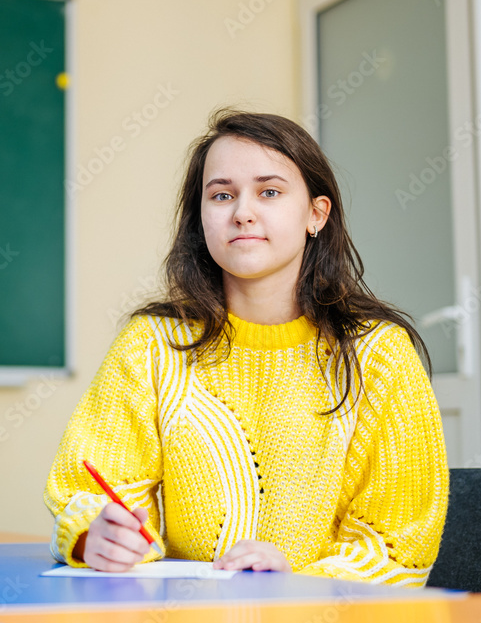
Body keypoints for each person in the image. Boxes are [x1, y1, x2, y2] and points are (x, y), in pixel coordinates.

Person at [44, 109, 448, 585]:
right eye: (221, 195)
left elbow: (398, 545)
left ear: (316, 214)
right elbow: (90, 491)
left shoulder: (379, 354)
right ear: (201, 217)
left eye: (269, 192)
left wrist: (297, 583)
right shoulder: (153, 345)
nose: (243, 212)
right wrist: (95, 534)